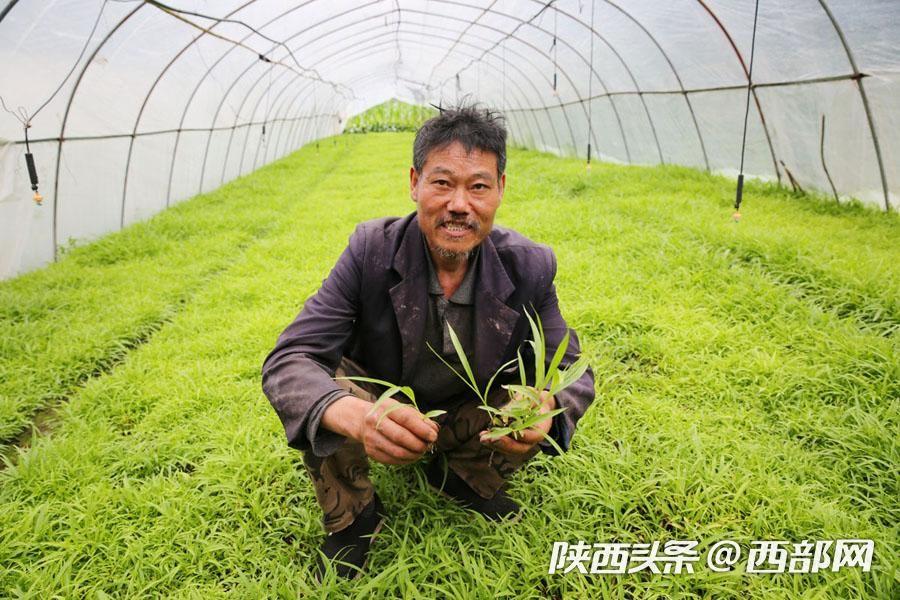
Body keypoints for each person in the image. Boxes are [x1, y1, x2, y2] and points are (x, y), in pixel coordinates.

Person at [261, 104, 595, 580]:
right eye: (443, 183)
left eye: (478, 186)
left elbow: (570, 369)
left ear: (500, 189)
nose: (460, 204)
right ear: (414, 182)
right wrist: (354, 414)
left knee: (530, 389)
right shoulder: (371, 249)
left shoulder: (529, 266)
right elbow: (291, 358)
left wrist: (547, 407)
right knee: (324, 387)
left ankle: (461, 474)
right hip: (385, 397)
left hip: (468, 405)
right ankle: (352, 516)